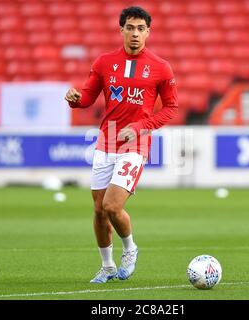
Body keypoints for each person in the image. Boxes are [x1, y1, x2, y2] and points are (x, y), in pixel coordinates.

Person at [65, 6, 178, 283]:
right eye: (130, 28)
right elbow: (88, 97)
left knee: (112, 206)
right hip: (106, 141)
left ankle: (130, 249)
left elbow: (171, 108)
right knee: (98, 210)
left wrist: (140, 127)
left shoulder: (161, 67)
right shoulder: (104, 62)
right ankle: (107, 266)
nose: (135, 34)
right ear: (122, 30)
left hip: (135, 144)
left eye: (141, 28)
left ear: (148, 32)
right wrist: (75, 99)